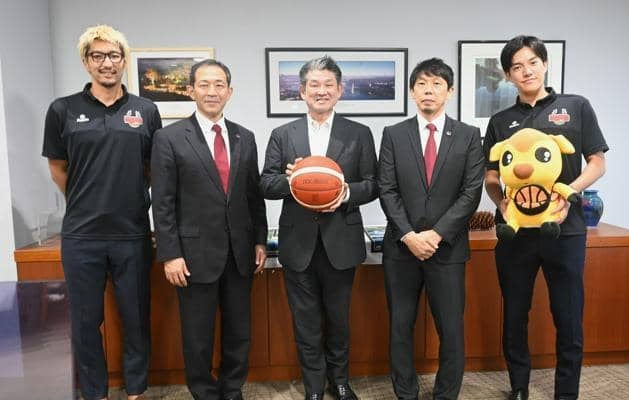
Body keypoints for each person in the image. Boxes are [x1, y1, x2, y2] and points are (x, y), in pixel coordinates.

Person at [482, 36, 608, 400]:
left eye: (533, 63)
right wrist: (501, 203)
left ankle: (566, 393)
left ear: (545, 64)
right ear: (508, 75)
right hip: (516, 234)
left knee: (568, 316)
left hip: (565, 230)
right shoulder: (500, 121)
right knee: (514, 314)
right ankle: (519, 387)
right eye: (517, 67)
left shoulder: (576, 106)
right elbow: (491, 176)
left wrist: (569, 191)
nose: (526, 71)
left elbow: (597, 162)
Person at [42, 25, 162, 400]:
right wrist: (85, 199)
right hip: (82, 236)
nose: (106, 63)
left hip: (132, 233)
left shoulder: (146, 110)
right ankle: (96, 393)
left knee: (136, 318)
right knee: (84, 322)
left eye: (113, 55)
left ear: (124, 60)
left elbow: (151, 168)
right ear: (86, 61)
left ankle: (136, 390)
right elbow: (58, 167)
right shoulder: (62, 109)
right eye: (98, 56)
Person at [260, 56, 378, 400]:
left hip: (341, 239)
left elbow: (373, 184)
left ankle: (339, 382)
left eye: (328, 84)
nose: (321, 91)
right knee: (306, 322)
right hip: (298, 243)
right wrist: (294, 180)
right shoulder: (283, 135)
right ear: (302, 91)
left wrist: (344, 193)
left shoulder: (359, 134)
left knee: (339, 320)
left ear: (340, 90)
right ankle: (313, 387)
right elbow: (265, 183)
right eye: (314, 84)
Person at [151, 59, 267, 400]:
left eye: (219, 85)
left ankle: (232, 390)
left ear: (230, 91)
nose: (212, 91)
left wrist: (260, 241)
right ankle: (203, 392)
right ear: (191, 91)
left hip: (240, 254)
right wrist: (170, 254)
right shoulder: (169, 138)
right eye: (204, 84)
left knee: (239, 332)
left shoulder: (245, 137)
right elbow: (162, 202)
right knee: (197, 335)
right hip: (192, 255)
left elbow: (253, 196)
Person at [378, 58, 484, 400]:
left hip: (447, 249)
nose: (429, 90)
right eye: (422, 84)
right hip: (401, 249)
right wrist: (409, 235)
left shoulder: (468, 136)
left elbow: (471, 193)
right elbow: (387, 189)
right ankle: (405, 394)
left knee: (451, 329)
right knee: (400, 327)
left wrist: (436, 235)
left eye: (437, 84)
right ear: (412, 91)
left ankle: (445, 394)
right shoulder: (394, 135)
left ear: (449, 91)